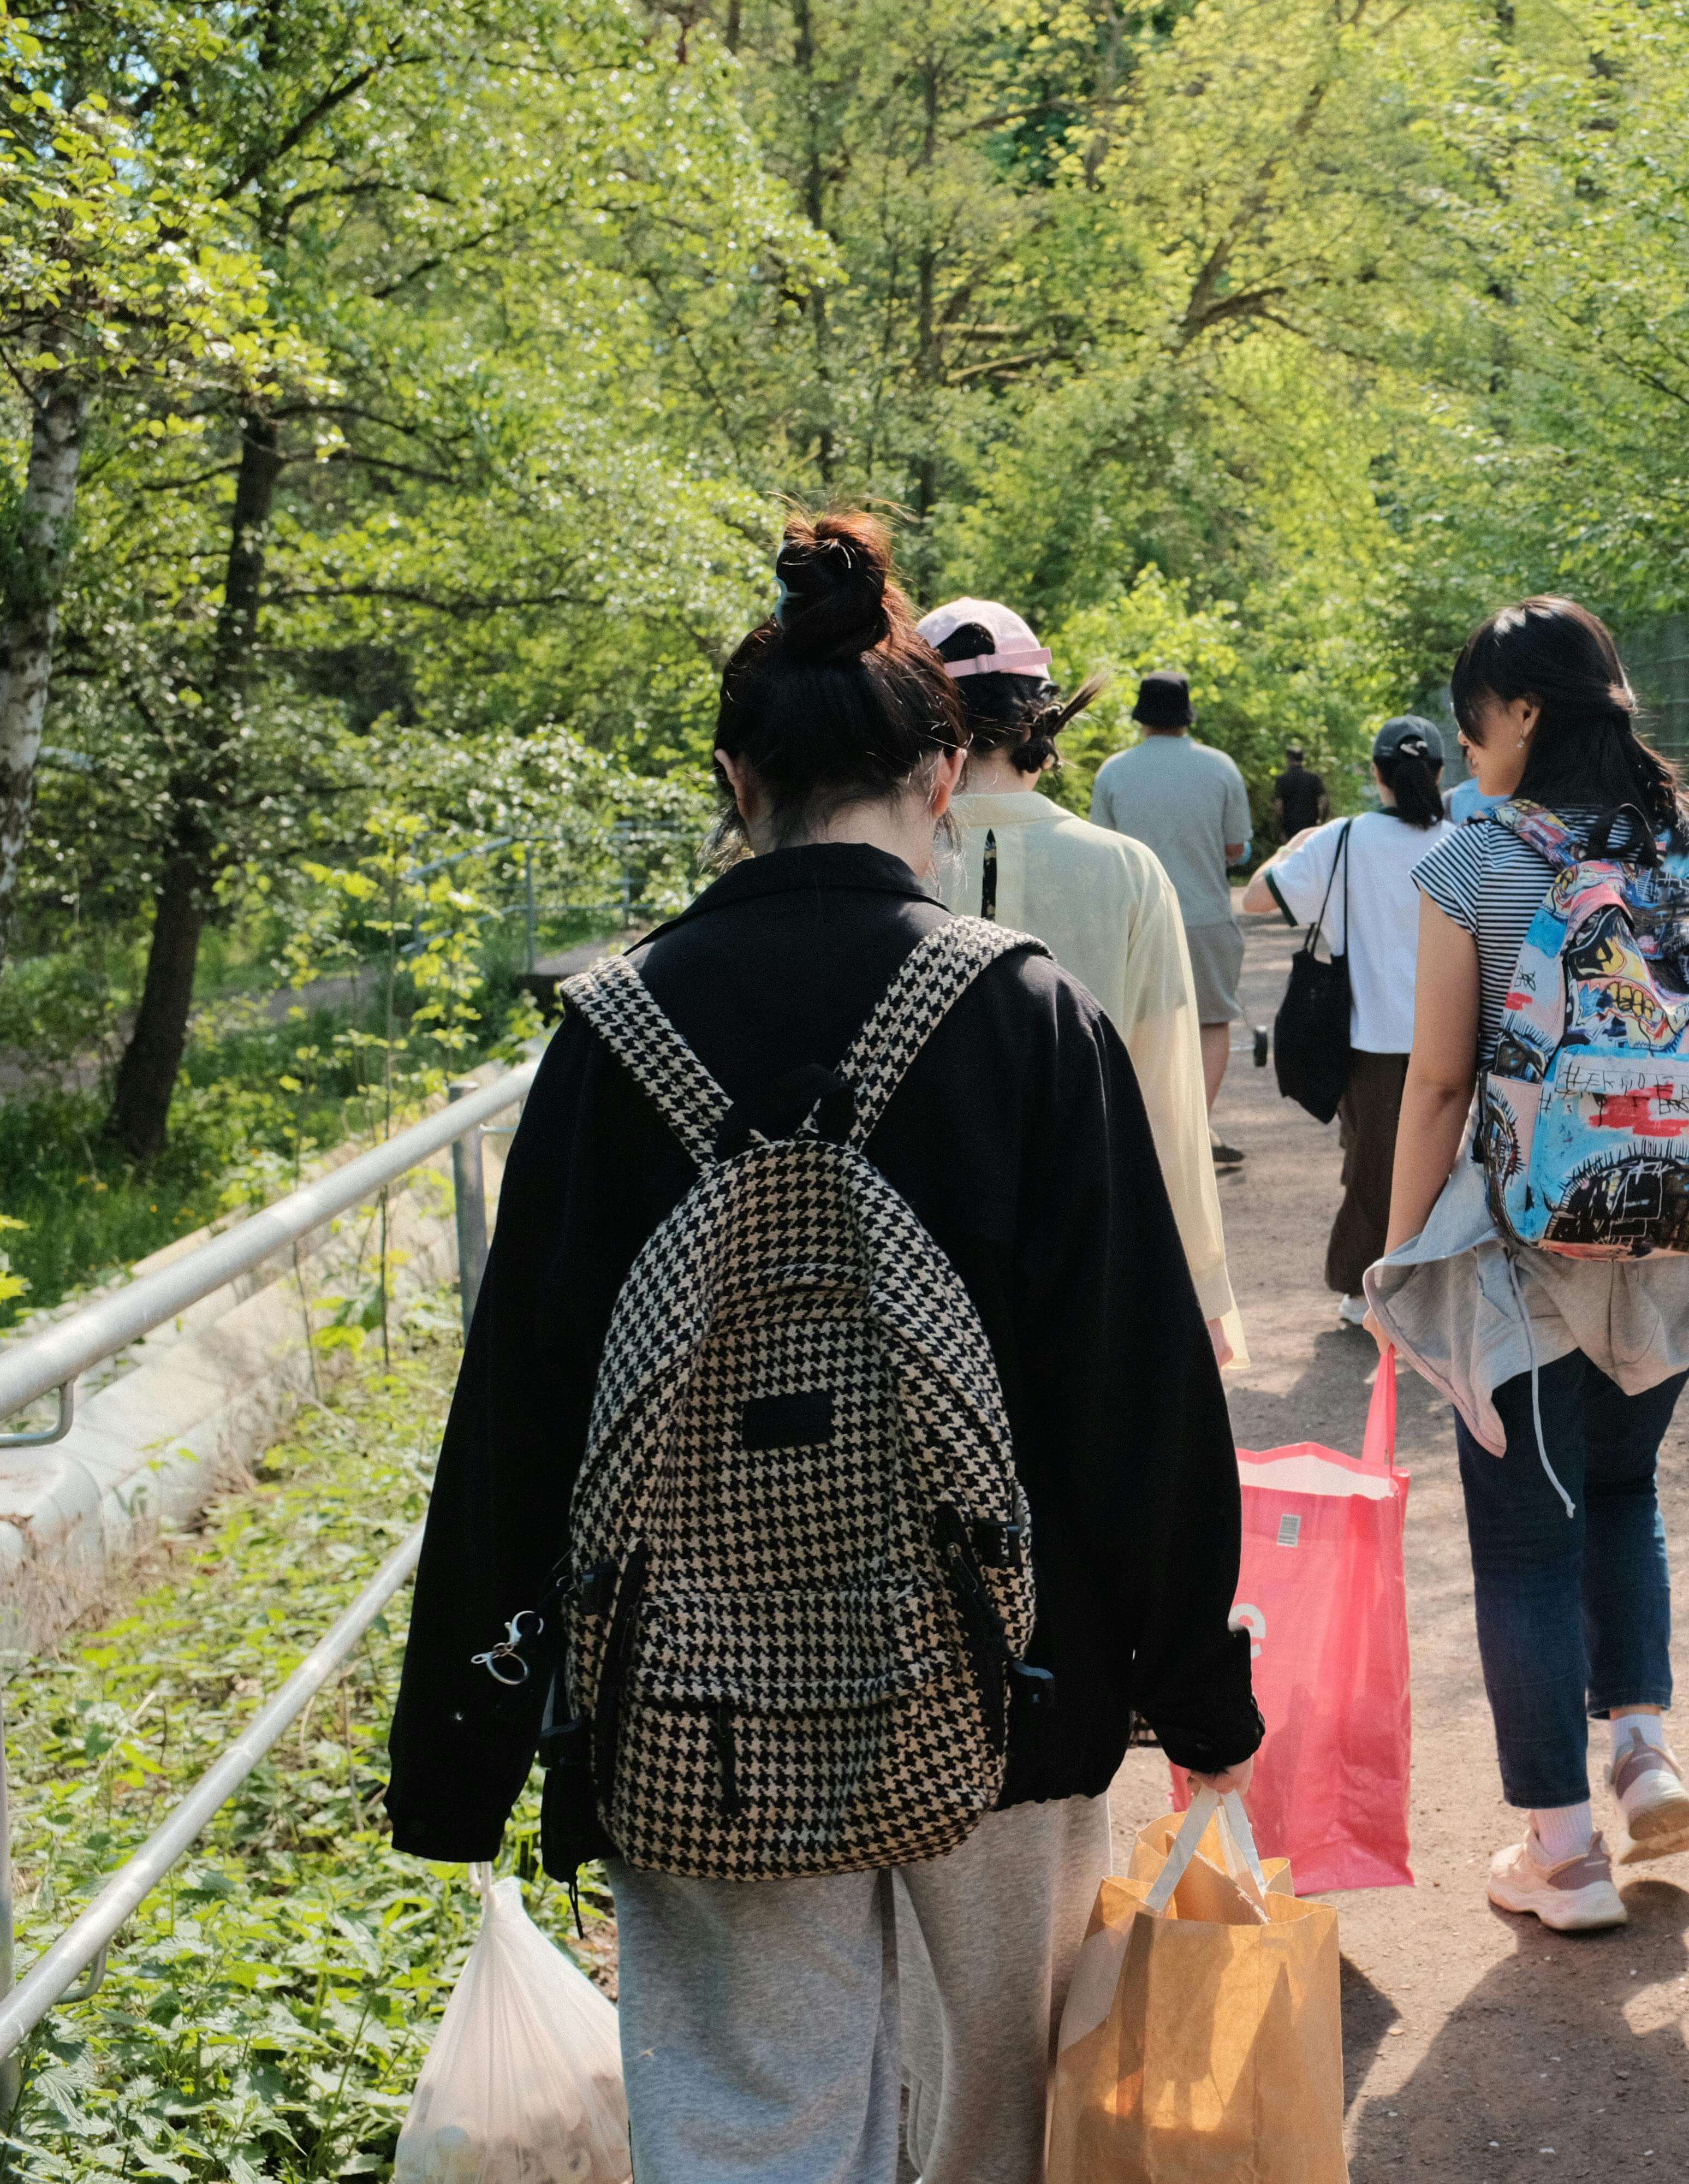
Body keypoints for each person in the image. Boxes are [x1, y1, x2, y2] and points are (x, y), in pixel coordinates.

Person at [385, 514, 1262, 2179]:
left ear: (734, 779)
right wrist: (1196, 1682)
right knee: (992, 2117)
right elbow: (1131, 1392)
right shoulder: (1023, 1016)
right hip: (1013, 1676)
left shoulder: (610, 1034)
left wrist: (461, 1749)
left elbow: (519, 1412)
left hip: (690, 1696)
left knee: (748, 2116)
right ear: (942, 776)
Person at [1370, 597, 1689, 1936]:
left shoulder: (1477, 860)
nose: (1470, 753)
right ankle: (1641, 1749)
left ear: (1520, 714)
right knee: (1622, 1493)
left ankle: (1562, 1853)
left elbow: (1442, 1077)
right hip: (1682, 1235)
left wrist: (1405, 1264)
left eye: (1476, 724)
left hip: (1527, 1248)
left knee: (1522, 1540)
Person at [921, 598, 1246, 1367]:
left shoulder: (890, 864)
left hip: (915, 1262)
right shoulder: (1125, 871)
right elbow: (1167, 1098)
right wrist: (1199, 1287)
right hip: (1088, 1251)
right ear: (1040, 715)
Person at [1240, 716, 1450, 1324]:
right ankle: (1434, 1289)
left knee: (1374, 1164)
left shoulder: (1343, 839)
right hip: (1458, 1037)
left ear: (1377, 773)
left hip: (1372, 1036)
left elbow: (1259, 897)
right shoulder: (1467, 840)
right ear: (1438, 774)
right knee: (1452, 1164)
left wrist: (1295, 844)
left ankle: (1364, 1290)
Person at [1089, 667, 1253, 1160]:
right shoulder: (1221, 767)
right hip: (1205, 914)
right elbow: (1237, 846)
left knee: (1143, 1026)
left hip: (1136, 919)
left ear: (1142, 718)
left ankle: (1150, 1132)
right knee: (1211, 1022)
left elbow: (1104, 848)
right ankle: (1194, 1131)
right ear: (1187, 715)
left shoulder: (1114, 771)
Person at [1271, 741, 1330, 840]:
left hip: (1289, 829)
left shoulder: (1282, 780)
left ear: (1288, 759)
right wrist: (1321, 822)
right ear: (1302, 759)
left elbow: (1278, 807)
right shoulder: (1314, 779)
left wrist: (1280, 830)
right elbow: (1325, 802)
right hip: (1310, 827)